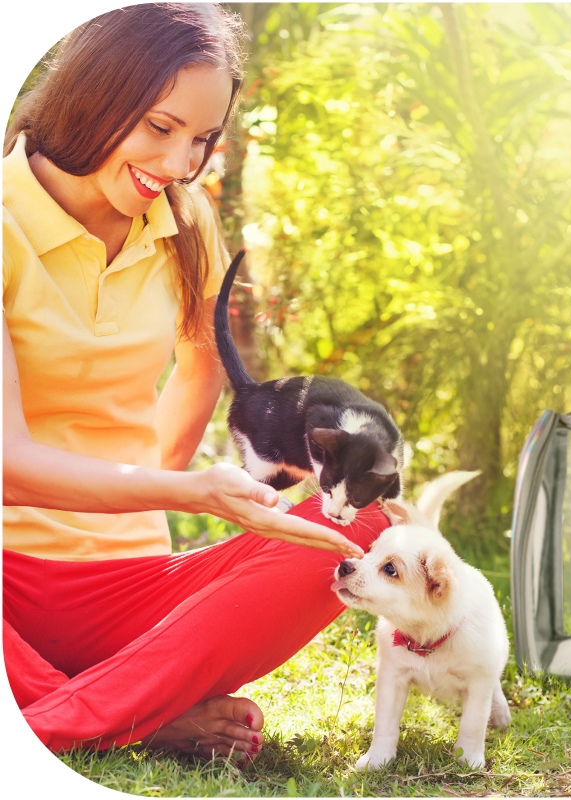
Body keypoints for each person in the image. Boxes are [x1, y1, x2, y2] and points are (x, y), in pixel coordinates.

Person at [2, 2, 389, 760]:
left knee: (368, 522)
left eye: (203, 138)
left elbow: (203, 370)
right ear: (95, 96)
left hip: (125, 584)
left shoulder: (184, 222)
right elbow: (5, 466)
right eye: (160, 127)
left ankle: (89, 702)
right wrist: (184, 493)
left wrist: (149, 490)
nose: (181, 163)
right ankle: (113, 713)